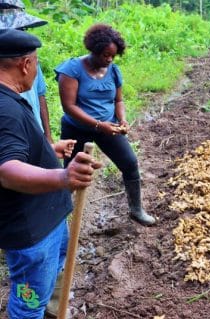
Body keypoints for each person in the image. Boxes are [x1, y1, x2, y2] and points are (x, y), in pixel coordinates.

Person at [0, 28, 101, 319]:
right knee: (28, 302)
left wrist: (47, 150)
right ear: (25, 64)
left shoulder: (10, 99)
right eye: (37, 62)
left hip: (46, 219)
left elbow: (14, 150)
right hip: (32, 232)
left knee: (46, 283)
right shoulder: (5, 108)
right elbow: (6, 170)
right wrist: (63, 178)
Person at [55, 23, 155, 226]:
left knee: (129, 162)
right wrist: (99, 125)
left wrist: (122, 120)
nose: (109, 60)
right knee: (71, 174)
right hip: (77, 129)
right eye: (105, 55)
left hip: (108, 127)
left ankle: (136, 209)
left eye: (113, 56)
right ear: (93, 49)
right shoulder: (72, 69)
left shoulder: (114, 70)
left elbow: (118, 100)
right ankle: (59, 217)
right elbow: (69, 107)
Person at [0, 0, 53, 143]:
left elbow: (40, 95)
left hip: (34, 133)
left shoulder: (29, 57)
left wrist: (47, 137)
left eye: (23, 30)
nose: (21, 36)